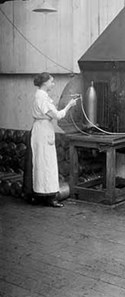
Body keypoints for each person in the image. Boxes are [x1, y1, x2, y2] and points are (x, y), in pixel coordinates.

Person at [23, 72, 77, 207]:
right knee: (45, 164)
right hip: (42, 131)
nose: (53, 84)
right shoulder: (42, 98)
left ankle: (42, 194)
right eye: (51, 81)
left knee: (43, 163)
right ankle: (48, 196)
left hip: (42, 129)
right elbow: (58, 115)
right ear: (45, 83)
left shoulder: (41, 96)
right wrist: (70, 105)